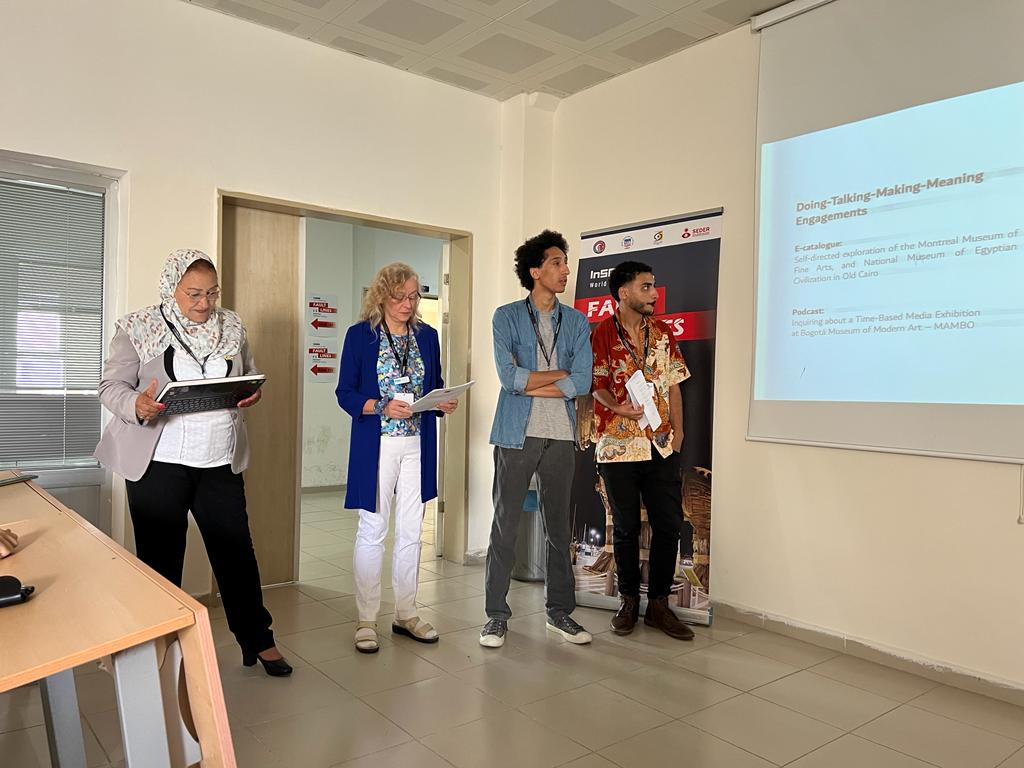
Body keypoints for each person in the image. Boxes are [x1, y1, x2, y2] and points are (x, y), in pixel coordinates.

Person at [95, 249, 292, 676]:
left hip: (219, 459)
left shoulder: (233, 326)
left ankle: (258, 640)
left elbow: (247, 372)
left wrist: (251, 391)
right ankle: (159, 646)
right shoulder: (138, 328)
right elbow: (110, 386)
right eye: (194, 294)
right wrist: (137, 404)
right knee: (160, 560)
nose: (205, 303)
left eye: (212, 293)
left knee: (236, 553)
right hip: (160, 463)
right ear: (172, 289)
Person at [480, 230, 593, 648]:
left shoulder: (576, 322)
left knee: (559, 529)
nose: (565, 270)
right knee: (505, 525)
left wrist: (534, 382)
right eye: (557, 262)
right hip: (516, 434)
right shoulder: (506, 317)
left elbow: (582, 381)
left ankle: (559, 612)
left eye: (565, 263)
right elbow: (509, 379)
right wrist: (558, 377)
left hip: (561, 435)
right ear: (535, 271)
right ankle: (496, 616)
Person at [336, 263, 457, 654]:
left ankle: (406, 613)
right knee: (373, 529)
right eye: (398, 297)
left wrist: (442, 402)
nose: (407, 304)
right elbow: (345, 393)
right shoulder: (360, 336)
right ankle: (366, 619)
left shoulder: (428, 337)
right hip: (378, 444)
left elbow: (434, 385)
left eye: (413, 296)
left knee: (411, 531)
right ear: (381, 296)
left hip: (417, 444)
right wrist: (381, 406)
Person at [591, 260, 694, 640]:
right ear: (624, 292)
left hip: (661, 443)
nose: (654, 294)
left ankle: (660, 605)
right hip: (618, 445)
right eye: (646, 287)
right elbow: (596, 385)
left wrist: (679, 434)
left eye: (654, 286)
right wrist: (618, 408)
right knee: (626, 527)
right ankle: (629, 601)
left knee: (669, 525)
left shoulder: (663, 333)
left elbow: (675, 385)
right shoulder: (602, 333)